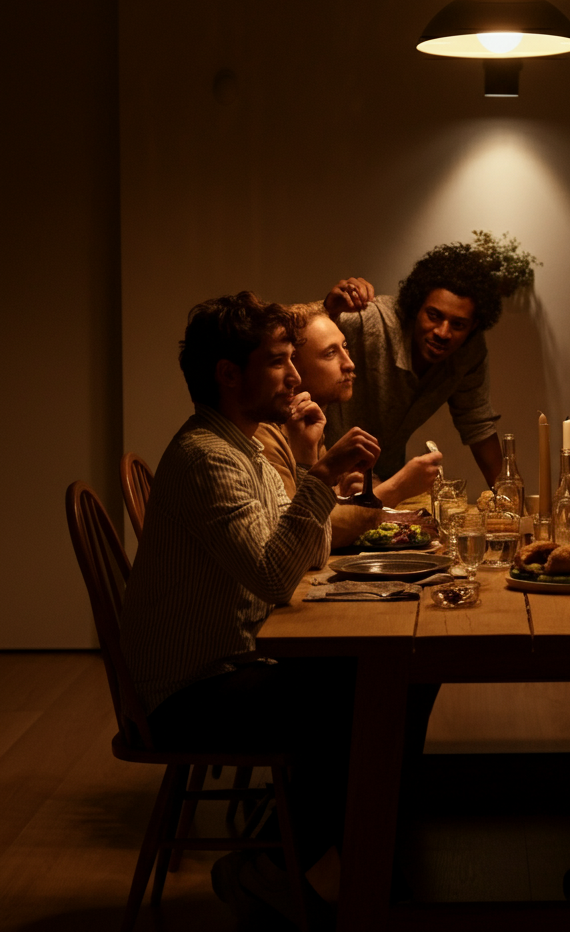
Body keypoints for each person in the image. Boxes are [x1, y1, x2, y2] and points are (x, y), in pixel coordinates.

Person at [119, 291, 380, 926]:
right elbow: (272, 577)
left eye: (293, 360)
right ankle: (293, 870)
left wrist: (312, 460)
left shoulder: (245, 445)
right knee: (371, 688)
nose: (295, 377)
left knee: (375, 678)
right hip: (191, 691)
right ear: (228, 374)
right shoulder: (207, 458)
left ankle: (351, 852)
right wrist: (320, 481)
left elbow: (307, 557)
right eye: (278, 362)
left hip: (231, 664)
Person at [253, 302, 443, 549]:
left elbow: (312, 513)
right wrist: (396, 488)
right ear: (293, 367)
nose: (349, 363)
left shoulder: (308, 422)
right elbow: (306, 537)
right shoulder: (264, 434)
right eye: (330, 353)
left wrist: (341, 495)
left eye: (345, 347)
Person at [321, 243, 505, 487]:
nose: (443, 332)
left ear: (473, 326)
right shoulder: (369, 320)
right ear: (416, 306)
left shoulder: (469, 351)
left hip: (383, 479)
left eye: (458, 324)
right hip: (323, 475)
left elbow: (478, 423)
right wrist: (327, 311)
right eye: (434, 315)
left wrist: (507, 498)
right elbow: (295, 343)